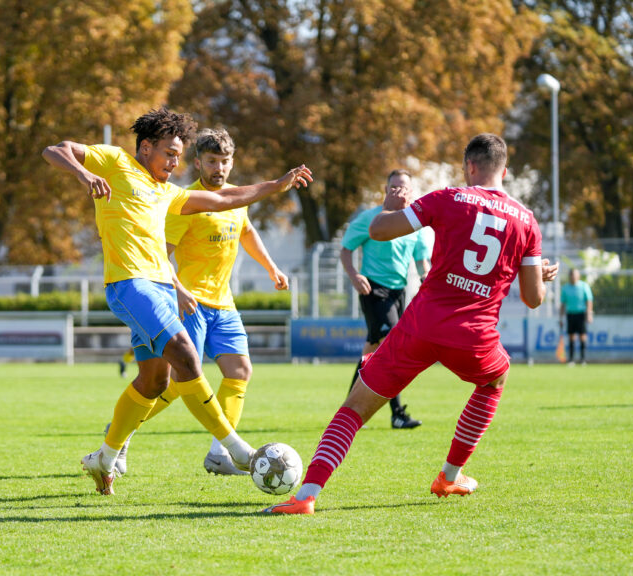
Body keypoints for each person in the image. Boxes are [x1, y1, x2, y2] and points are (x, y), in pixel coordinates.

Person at [263, 133, 559, 514]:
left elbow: (379, 231)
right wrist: (541, 277)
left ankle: (306, 497)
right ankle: (450, 476)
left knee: (353, 410)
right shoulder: (527, 222)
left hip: (421, 325)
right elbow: (534, 298)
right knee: (494, 380)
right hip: (474, 335)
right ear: (505, 170)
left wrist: (389, 207)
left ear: (470, 166)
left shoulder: (447, 198)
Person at [41, 107, 311, 495]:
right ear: (146, 147)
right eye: (169, 153)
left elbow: (227, 199)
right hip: (130, 284)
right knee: (185, 353)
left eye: (178, 155)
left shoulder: (168, 193)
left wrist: (275, 185)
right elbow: (55, 149)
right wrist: (84, 173)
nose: (174, 162)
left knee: (154, 381)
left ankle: (105, 455)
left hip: (161, 289)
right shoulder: (115, 162)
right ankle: (235, 450)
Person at [117, 128, 290, 477]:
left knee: (240, 371)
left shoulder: (234, 198)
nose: (219, 168)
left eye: (225, 161)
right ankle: (120, 435)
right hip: (190, 304)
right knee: (177, 385)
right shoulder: (185, 202)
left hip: (223, 305)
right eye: (212, 161)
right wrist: (178, 288)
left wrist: (271, 266)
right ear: (198, 162)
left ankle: (219, 454)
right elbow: (159, 254)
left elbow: (246, 232)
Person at [340, 169, 431, 429]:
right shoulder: (370, 219)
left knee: (372, 351)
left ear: (412, 192)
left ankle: (349, 409)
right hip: (374, 289)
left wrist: (427, 276)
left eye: (404, 187)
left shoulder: (415, 224)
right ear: (385, 190)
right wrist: (354, 275)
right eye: (394, 187)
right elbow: (346, 249)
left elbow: (422, 260)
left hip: (399, 292)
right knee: (391, 346)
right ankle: (397, 414)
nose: (399, 192)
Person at [560, 268, 594, 365]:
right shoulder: (565, 288)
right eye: (571, 275)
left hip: (581, 314)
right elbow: (563, 304)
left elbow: (589, 300)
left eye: (574, 275)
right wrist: (561, 318)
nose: (573, 277)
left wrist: (589, 314)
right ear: (569, 276)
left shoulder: (584, 286)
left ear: (578, 276)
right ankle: (571, 360)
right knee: (571, 337)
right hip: (570, 314)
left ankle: (583, 359)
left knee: (582, 336)